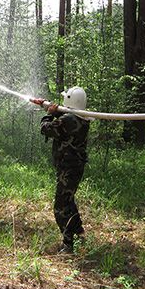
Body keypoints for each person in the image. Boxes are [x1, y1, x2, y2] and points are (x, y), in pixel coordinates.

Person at [32, 87, 90, 253]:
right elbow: (64, 123)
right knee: (68, 200)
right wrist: (46, 106)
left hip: (68, 168)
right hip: (74, 167)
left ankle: (68, 244)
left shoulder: (67, 120)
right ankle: (80, 233)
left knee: (60, 206)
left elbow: (46, 128)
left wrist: (49, 114)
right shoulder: (81, 118)